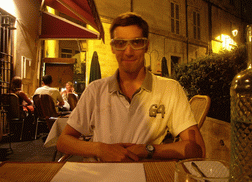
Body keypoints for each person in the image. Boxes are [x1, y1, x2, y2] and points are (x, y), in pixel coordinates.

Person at [57, 12, 205, 162]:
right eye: (120, 43)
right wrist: (100, 149)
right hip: (99, 175)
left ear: (146, 46)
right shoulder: (95, 90)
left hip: (146, 176)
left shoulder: (169, 89)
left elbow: (197, 149)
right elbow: (63, 141)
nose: (128, 52)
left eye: (136, 42)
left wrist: (147, 149)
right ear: (113, 48)